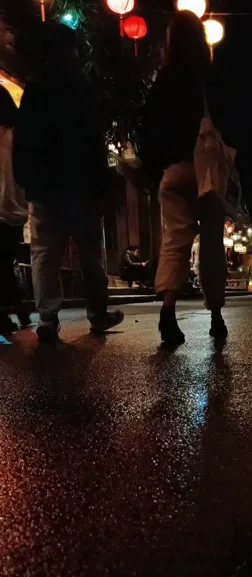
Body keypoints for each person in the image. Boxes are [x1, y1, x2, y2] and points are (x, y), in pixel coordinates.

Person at [13, 21, 123, 342]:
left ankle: (47, 318)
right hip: (80, 187)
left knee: (44, 253)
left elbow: (23, 142)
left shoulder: (34, 90)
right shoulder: (79, 87)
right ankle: (97, 315)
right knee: (90, 253)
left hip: (44, 188)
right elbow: (92, 142)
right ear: (69, 51)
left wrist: (25, 179)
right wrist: (101, 186)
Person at [140, 10, 227, 345]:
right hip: (206, 173)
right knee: (212, 245)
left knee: (175, 240)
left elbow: (147, 131)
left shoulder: (163, 81)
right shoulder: (209, 77)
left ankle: (168, 309)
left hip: (173, 170)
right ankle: (216, 316)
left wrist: (156, 169)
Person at [0, 86, 31, 335]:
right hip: (16, 211)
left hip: (2, 209)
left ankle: (12, 310)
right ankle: (18, 306)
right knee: (4, 260)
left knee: (1, 262)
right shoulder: (20, 136)